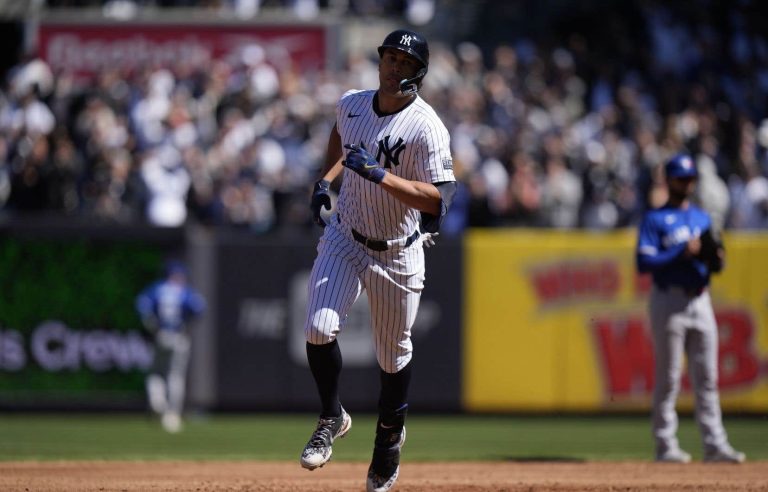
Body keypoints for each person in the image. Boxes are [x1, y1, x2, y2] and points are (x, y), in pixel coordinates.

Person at [299, 29, 456, 492]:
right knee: (317, 328)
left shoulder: (427, 126)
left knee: (393, 358)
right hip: (345, 235)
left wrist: (381, 176)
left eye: (404, 62)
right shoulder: (352, 102)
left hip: (397, 250)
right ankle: (332, 416)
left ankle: (387, 445)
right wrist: (325, 181)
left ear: (418, 74)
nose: (393, 67)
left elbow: (439, 199)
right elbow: (340, 137)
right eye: (389, 58)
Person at [636, 153, 746, 464]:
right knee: (669, 377)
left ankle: (714, 445)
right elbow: (644, 262)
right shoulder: (655, 219)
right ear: (669, 180)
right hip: (668, 300)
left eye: (690, 178)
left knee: (708, 377)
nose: (687, 183)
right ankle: (665, 445)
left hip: (700, 299)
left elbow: (714, 261)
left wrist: (715, 259)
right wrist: (680, 252)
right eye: (681, 178)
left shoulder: (702, 217)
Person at [135, 260, 206, 433]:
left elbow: (141, 305)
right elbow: (199, 307)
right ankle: (173, 414)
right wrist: (186, 322)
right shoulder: (184, 291)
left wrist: (152, 325)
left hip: (160, 335)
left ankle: (157, 402)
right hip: (178, 336)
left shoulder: (157, 289)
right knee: (175, 376)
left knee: (156, 373)